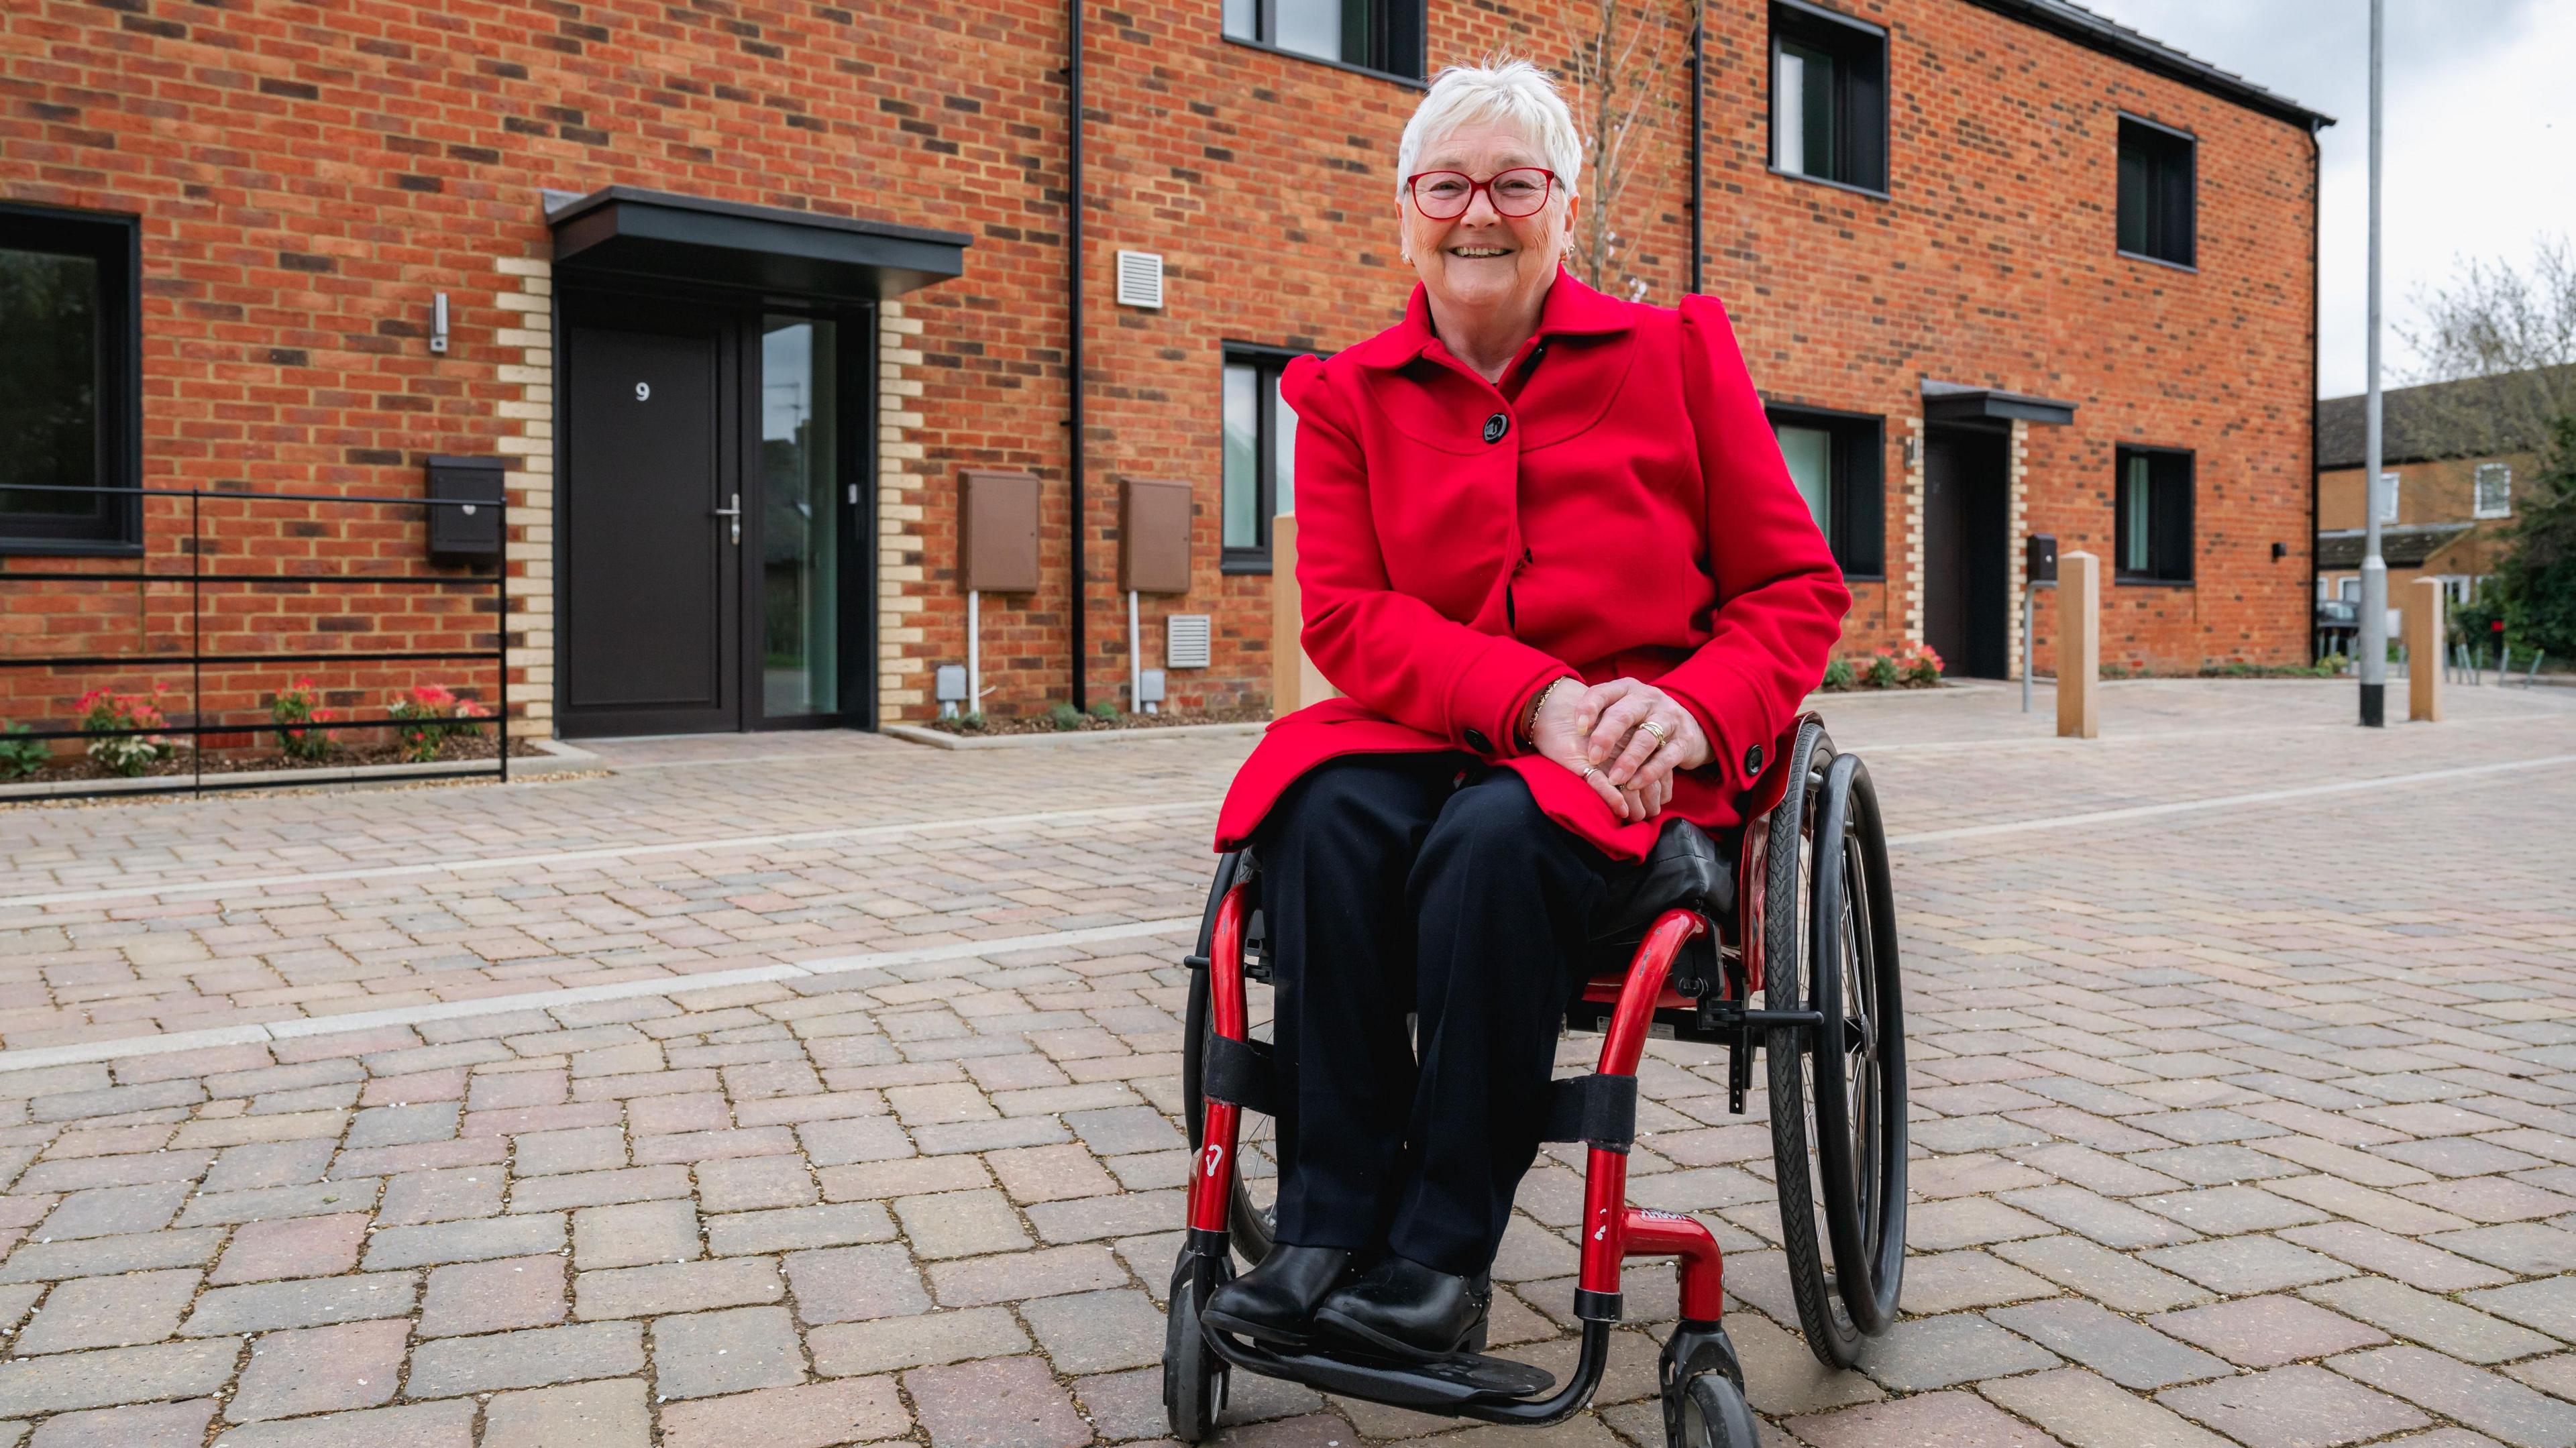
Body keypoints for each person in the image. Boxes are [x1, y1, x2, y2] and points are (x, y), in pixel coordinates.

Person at [1201, 58, 1850, 1362]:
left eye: (1512, 183)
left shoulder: (1674, 356)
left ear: (1565, 204)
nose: (1477, 213)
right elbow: (1346, 617)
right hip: (1421, 738)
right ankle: (1327, 1220)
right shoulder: (1344, 399)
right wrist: (1531, 698)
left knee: (1494, 843)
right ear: (1405, 209)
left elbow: (1793, 586)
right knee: (1318, 816)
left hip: (1616, 774)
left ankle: (1442, 1252)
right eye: (1447, 185)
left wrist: (1694, 712)